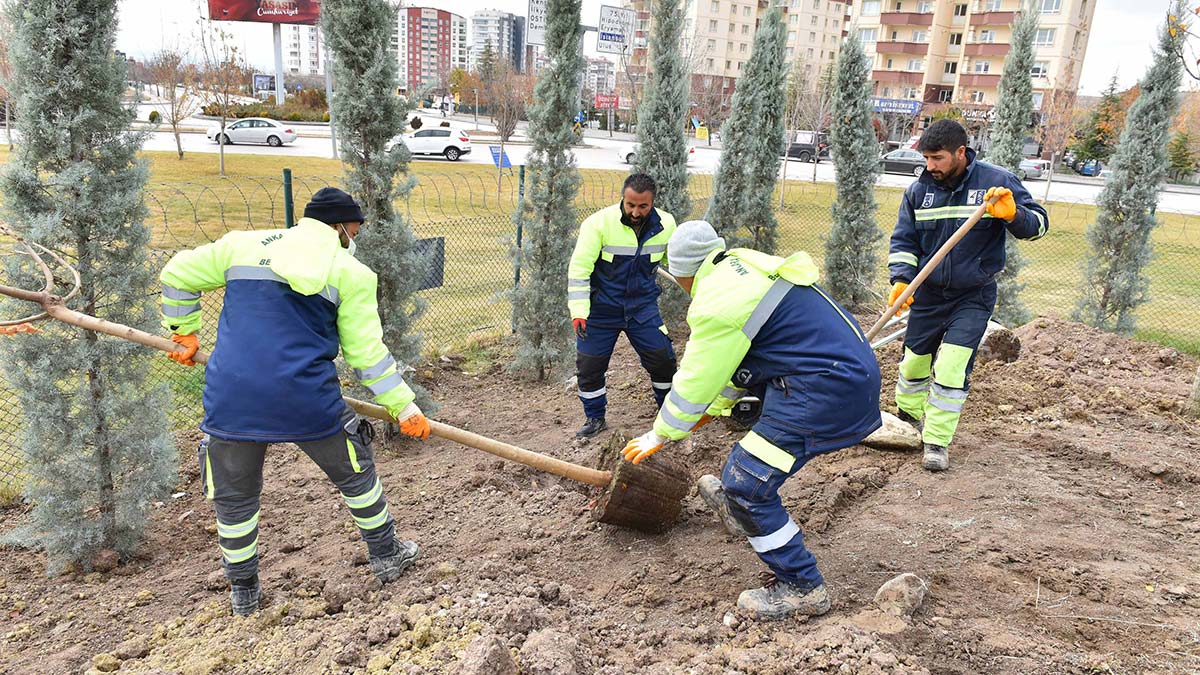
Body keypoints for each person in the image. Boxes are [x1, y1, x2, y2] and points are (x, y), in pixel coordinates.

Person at [160, 187, 431, 616]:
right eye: (355, 227)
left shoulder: (241, 246)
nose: (355, 235)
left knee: (234, 499)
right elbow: (366, 355)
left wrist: (183, 329)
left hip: (233, 397)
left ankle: (244, 593)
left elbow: (177, 273)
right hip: (306, 399)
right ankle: (386, 554)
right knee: (356, 475)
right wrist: (403, 404)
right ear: (340, 225)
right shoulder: (350, 272)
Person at [621, 221, 882, 620]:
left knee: (748, 483)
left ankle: (801, 586)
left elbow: (696, 378)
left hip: (826, 389)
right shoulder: (742, 267)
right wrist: (711, 410)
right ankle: (740, 515)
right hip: (832, 375)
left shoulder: (717, 301)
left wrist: (661, 432)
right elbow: (733, 369)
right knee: (746, 468)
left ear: (680, 275)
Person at [886, 119, 1048, 472]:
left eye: (938, 158)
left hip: (972, 296)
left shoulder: (996, 183)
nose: (931, 166)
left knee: (951, 366)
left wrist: (1013, 215)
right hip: (927, 294)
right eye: (926, 158)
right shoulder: (919, 191)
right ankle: (908, 421)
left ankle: (937, 441)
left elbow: (1039, 224)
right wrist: (901, 280)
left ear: (961, 152)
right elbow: (904, 241)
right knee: (913, 365)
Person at [567, 173, 678, 438]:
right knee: (590, 366)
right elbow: (579, 269)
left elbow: (676, 263)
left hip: (642, 308)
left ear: (652, 203)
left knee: (663, 360)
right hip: (601, 310)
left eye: (643, 206)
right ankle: (595, 418)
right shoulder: (598, 224)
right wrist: (579, 312)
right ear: (623, 198)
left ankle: (669, 415)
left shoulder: (667, 225)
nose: (636, 212)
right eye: (630, 205)